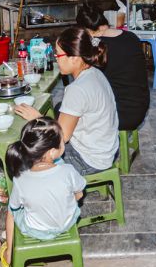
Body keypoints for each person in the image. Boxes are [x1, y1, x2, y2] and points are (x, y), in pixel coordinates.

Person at [15, 27, 119, 175]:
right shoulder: (95, 73)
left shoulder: (77, 89)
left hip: (89, 159)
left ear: (75, 58)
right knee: (58, 109)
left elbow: (62, 137)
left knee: (26, 156)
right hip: (106, 148)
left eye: (58, 55)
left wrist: (37, 118)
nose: (56, 59)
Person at [2, 117, 86, 267]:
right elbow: (79, 194)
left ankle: (9, 249)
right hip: (67, 222)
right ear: (52, 152)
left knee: (11, 210)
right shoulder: (68, 171)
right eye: (62, 141)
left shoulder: (20, 179)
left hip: (37, 230)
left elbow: (14, 210)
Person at [76, 3, 149, 130]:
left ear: (85, 30)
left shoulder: (98, 48)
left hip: (120, 115)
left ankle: (92, 147)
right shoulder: (131, 37)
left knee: (65, 109)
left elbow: (84, 82)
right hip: (140, 107)